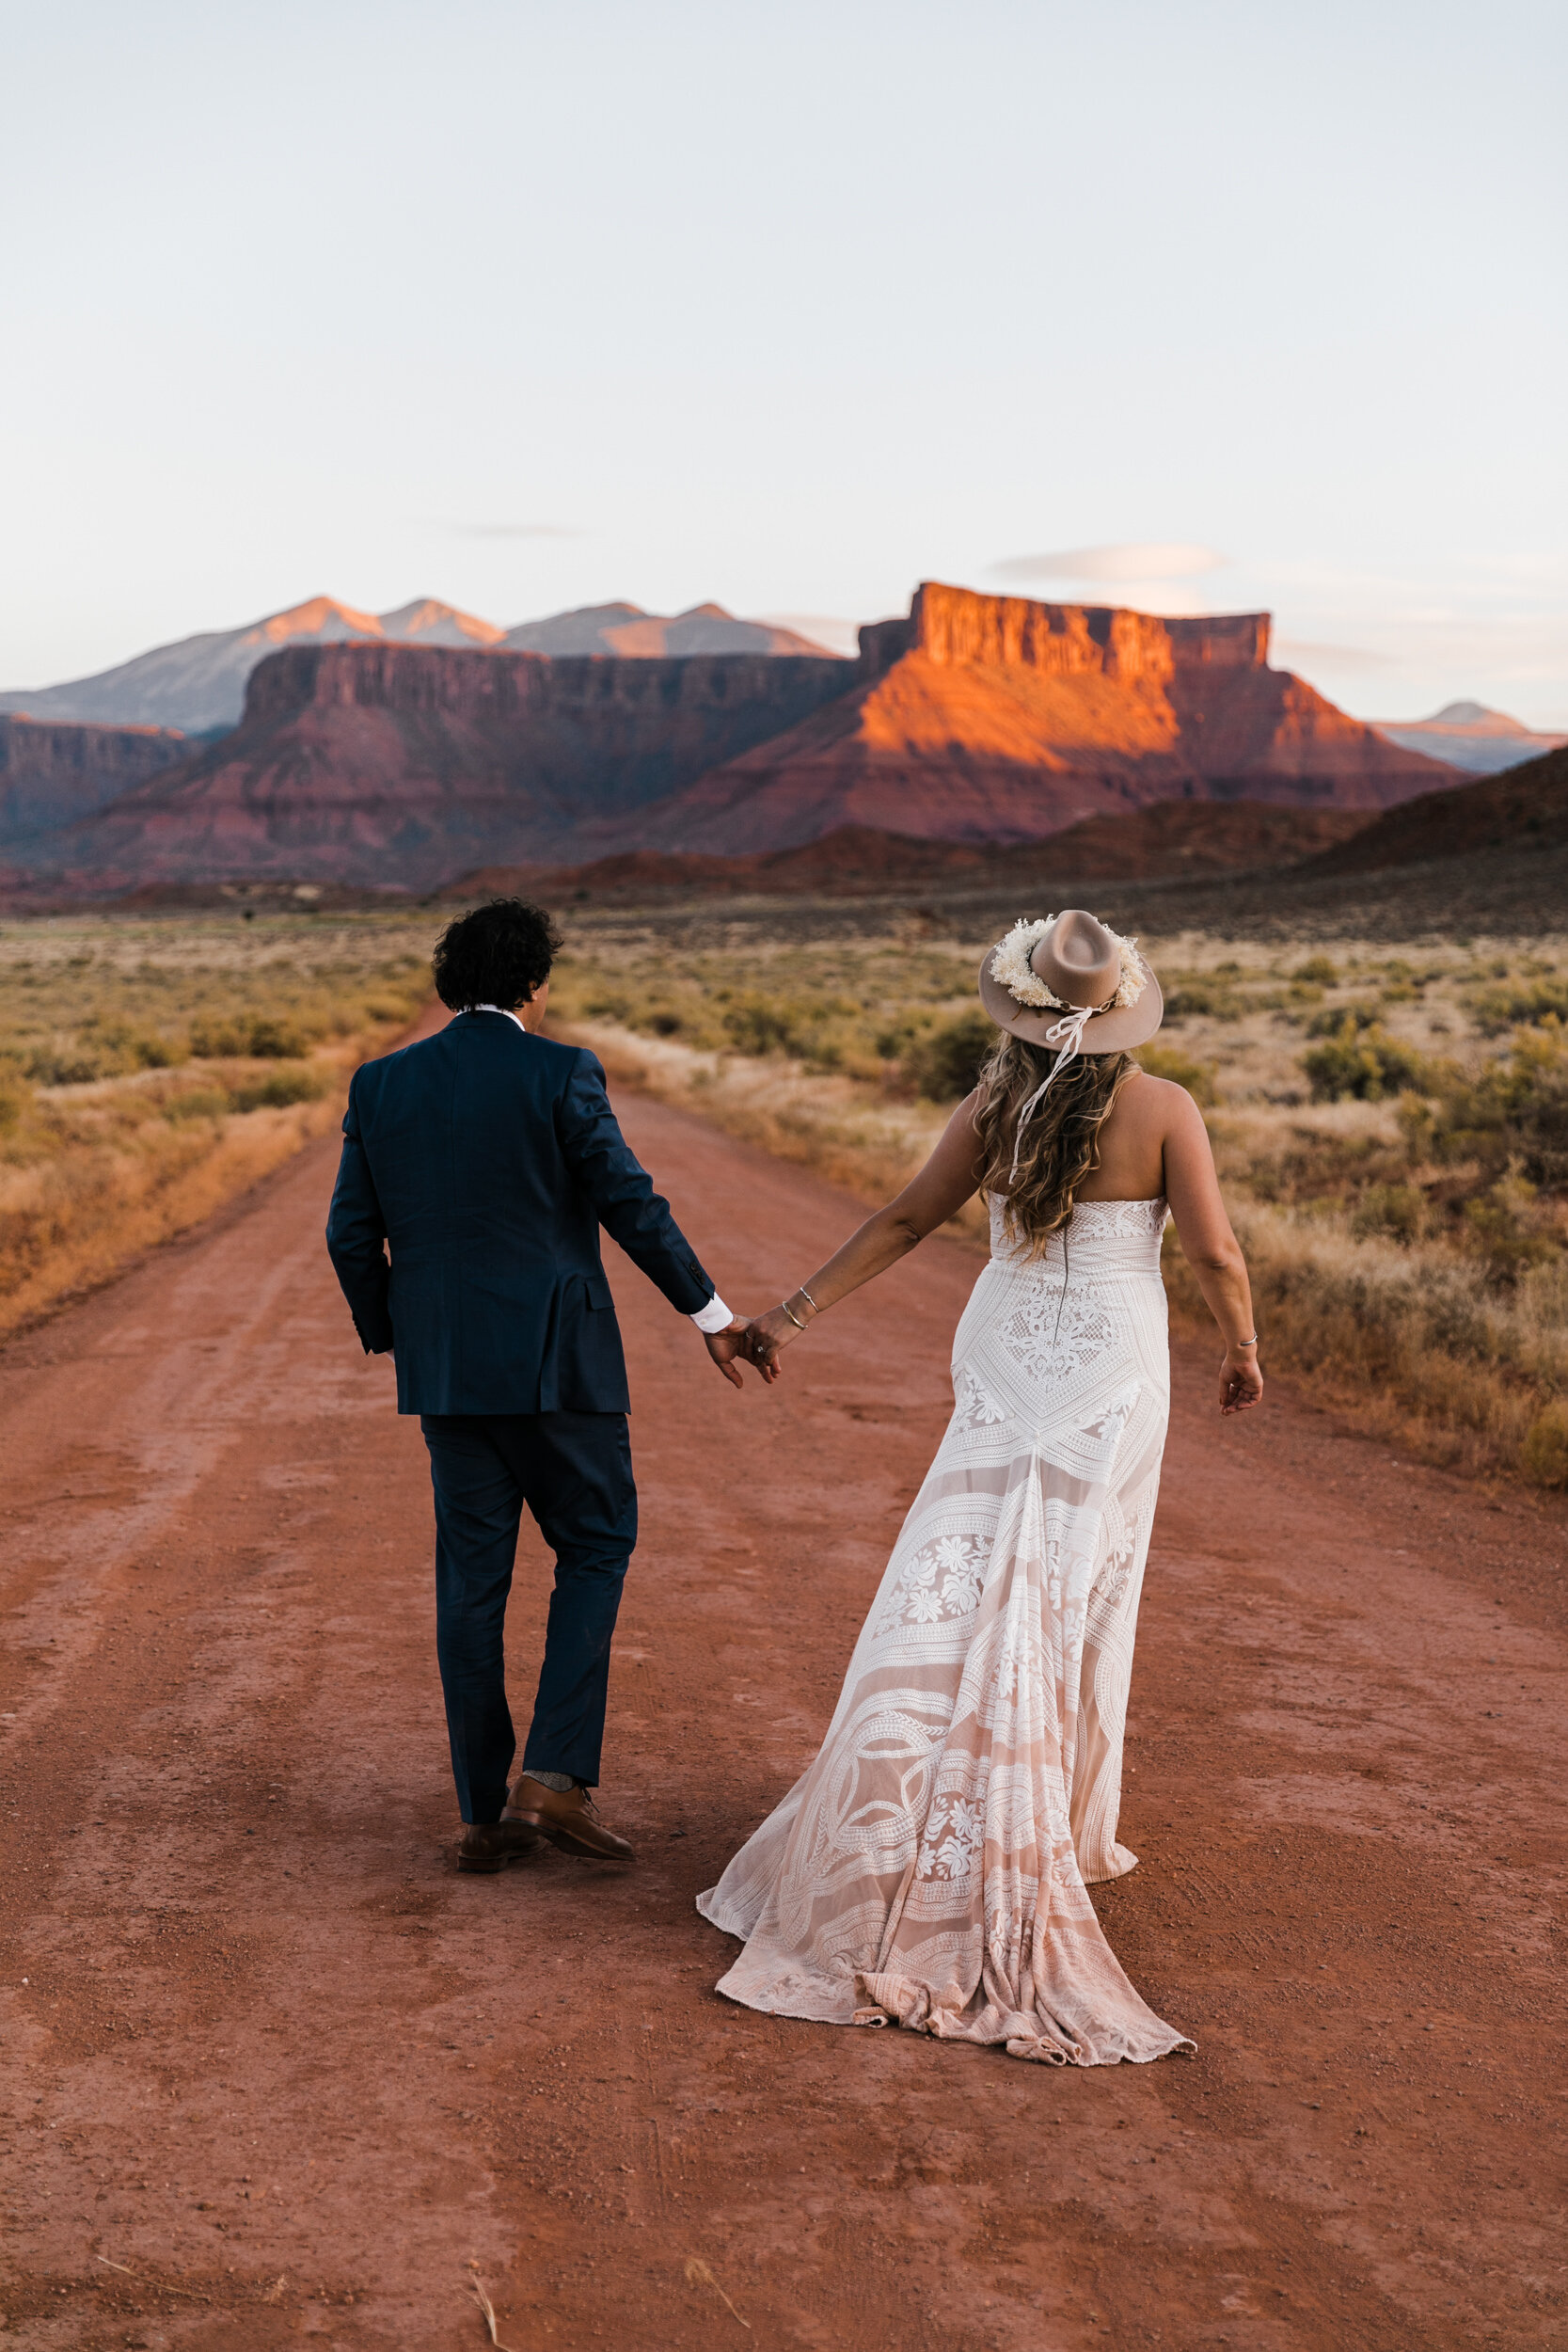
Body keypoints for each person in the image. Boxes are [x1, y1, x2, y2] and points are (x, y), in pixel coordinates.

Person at [699, 910, 1263, 2065]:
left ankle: (898, 1809)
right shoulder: (1165, 1110)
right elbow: (1212, 1252)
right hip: (1112, 1364)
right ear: (1119, 1009)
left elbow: (906, 1218)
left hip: (1004, 1352)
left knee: (952, 1575)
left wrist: (788, 1318)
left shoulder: (990, 1106)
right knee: (1080, 1581)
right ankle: (1052, 1820)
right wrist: (1241, 1348)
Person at [325, 898, 762, 1875]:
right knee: (597, 1544)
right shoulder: (561, 1070)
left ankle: (482, 1812)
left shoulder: (380, 1083)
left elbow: (348, 1235)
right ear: (534, 984)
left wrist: (403, 1333)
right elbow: (626, 1201)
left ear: (449, 982)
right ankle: (551, 1779)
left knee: (469, 1587)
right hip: (560, 1368)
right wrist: (712, 1317)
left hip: (448, 1378)